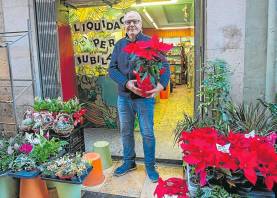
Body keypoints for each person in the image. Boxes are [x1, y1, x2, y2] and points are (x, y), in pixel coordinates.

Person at [108, 10, 170, 183]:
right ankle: (129, 162)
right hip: (124, 98)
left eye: (135, 21)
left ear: (141, 24)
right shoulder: (119, 45)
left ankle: (150, 166)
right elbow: (112, 69)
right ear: (124, 25)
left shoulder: (150, 43)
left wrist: (160, 86)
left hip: (144, 98)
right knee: (126, 132)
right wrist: (126, 83)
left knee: (147, 133)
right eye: (128, 22)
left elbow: (165, 66)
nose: (131, 25)